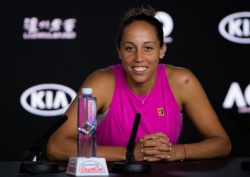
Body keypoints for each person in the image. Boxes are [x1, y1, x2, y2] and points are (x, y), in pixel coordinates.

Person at [46, 7, 231, 162]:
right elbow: (56, 147)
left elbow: (222, 143)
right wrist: (130, 153)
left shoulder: (182, 81)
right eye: (129, 48)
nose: (139, 58)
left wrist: (177, 151)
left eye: (148, 48)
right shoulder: (101, 83)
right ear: (119, 51)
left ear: (162, 50)